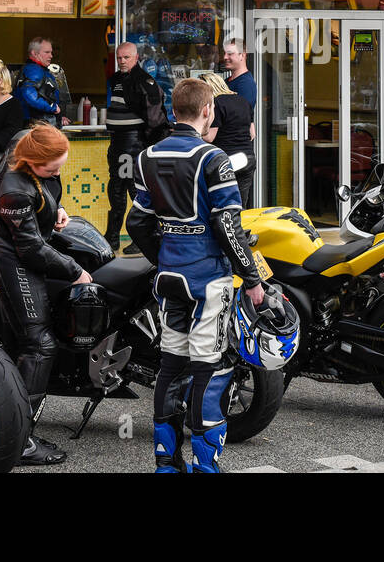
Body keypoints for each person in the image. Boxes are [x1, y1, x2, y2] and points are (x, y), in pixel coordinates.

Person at [126, 78, 265, 473]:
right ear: (208, 112)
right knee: (211, 369)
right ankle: (206, 467)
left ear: (173, 111)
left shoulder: (146, 156)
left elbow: (137, 221)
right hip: (207, 279)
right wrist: (252, 281)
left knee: (171, 365)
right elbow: (228, 226)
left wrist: (163, 256)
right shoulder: (214, 158)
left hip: (169, 276)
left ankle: (167, 464)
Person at [0, 125, 91, 466]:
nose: (57, 171)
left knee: (21, 344)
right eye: (52, 168)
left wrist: (55, 208)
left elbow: (44, 190)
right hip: (12, 260)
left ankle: (7, 426)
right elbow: (30, 249)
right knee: (38, 344)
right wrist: (74, 270)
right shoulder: (14, 190)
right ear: (32, 161)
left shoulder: (27, 146)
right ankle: (19, 441)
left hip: (25, 249)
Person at [104, 41, 168, 251]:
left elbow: (155, 118)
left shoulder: (144, 81)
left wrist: (149, 146)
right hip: (118, 144)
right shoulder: (116, 79)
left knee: (134, 191)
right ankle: (112, 237)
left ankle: (143, 239)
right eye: (119, 57)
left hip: (134, 146)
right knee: (116, 190)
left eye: (126, 57)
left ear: (136, 57)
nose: (121, 61)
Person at [202, 72, 255, 208]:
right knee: (240, 205)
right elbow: (252, 134)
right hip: (247, 158)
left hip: (228, 159)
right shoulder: (242, 101)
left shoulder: (217, 103)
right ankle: (238, 229)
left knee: (220, 204)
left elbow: (209, 137)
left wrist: (192, 131)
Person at [18, 37, 71, 126]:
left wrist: (58, 117)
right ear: (34, 53)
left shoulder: (39, 70)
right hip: (35, 126)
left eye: (51, 52)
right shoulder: (34, 70)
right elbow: (28, 93)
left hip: (39, 124)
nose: (51, 56)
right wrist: (53, 107)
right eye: (47, 52)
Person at [221, 39, 256, 110]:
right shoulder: (227, 81)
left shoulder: (245, 84)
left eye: (230, 53)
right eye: (224, 53)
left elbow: (241, 116)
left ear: (242, 55)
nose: (225, 57)